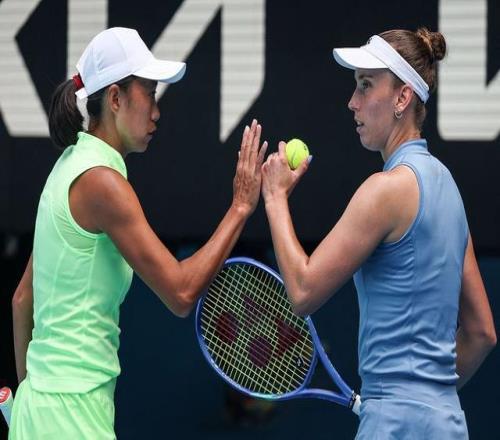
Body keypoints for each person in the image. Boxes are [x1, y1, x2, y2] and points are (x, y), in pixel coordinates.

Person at [10, 27, 267, 439]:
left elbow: (23, 299)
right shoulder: (102, 183)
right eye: (149, 92)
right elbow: (181, 292)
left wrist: (30, 398)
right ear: (115, 98)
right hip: (71, 415)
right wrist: (240, 207)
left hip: (38, 411)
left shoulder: (67, 167)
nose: (157, 111)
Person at [261, 28, 496, 439]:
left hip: (392, 425)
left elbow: (302, 291)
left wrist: (275, 198)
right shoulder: (449, 191)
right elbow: (481, 334)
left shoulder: (385, 191)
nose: (352, 102)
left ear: (403, 98)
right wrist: (425, 399)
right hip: (448, 424)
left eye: (366, 85)